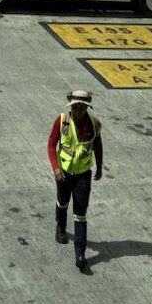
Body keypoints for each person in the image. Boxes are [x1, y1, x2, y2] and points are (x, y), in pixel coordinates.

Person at [48, 89, 105, 274]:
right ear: (71, 107)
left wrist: (99, 166)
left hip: (82, 175)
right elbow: (51, 144)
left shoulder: (94, 124)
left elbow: (97, 144)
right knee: (63, 202)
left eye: (82, 108)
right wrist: (56, 168)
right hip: (63, 173)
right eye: (76, 108)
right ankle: (61, 227)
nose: (79, 111)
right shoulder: (62, 120)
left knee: (81, 213)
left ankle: (80, 254)